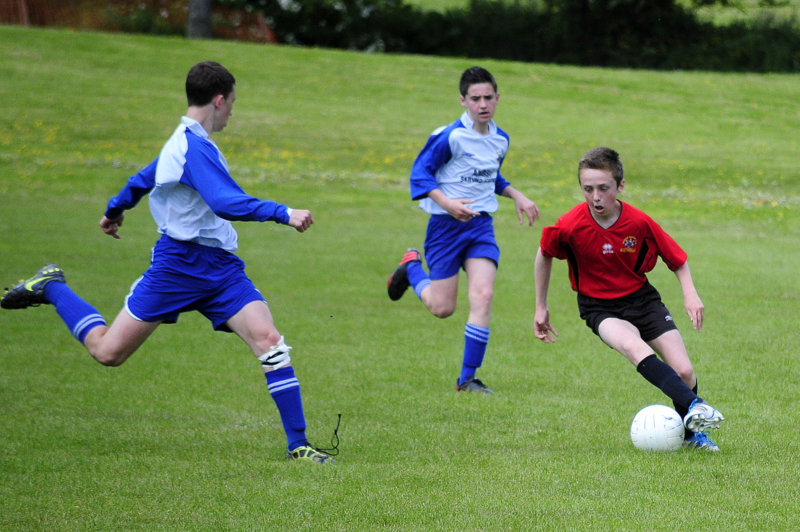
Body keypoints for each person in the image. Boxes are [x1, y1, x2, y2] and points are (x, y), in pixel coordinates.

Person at [1, 61, 336, 463]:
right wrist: (283, 212)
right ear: (218, 100)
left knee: (269, 340)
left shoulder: (185, 141)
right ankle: (52, 285)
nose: (232, 110)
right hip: (176, 268)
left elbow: (144, 177)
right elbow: (224, 202)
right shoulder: (192, 146)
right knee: (108, 352)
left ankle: (298, 445)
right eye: (232, 102)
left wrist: (114, 209)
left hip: (221, 270)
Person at [533, 146, 724, 450]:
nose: (595, 196)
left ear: (620, 186)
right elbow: (544, 254)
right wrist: (541, 306)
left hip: (642, 300)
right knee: (632, 346)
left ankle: (691, 436)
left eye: (603, 188)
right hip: (598, 307)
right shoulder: (570, 224)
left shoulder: (639, 223)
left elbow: (676, 259)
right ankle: (697, 406)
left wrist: (691, 295)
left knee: (685, 371)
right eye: (588, 189)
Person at [387, 66, 540, 395]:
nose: (482, 104)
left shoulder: (501, 139)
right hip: (444, 227)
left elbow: (489, 176)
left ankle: (467, 379)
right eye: (475, 98)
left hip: (480, 227)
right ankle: (411, 267)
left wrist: (516, 194)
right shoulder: (449, 136)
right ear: (463, 101)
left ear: (498, 99)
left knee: (484, 296)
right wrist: (448, 204)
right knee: (443, 308)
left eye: (488, 97)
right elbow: (420, 173)